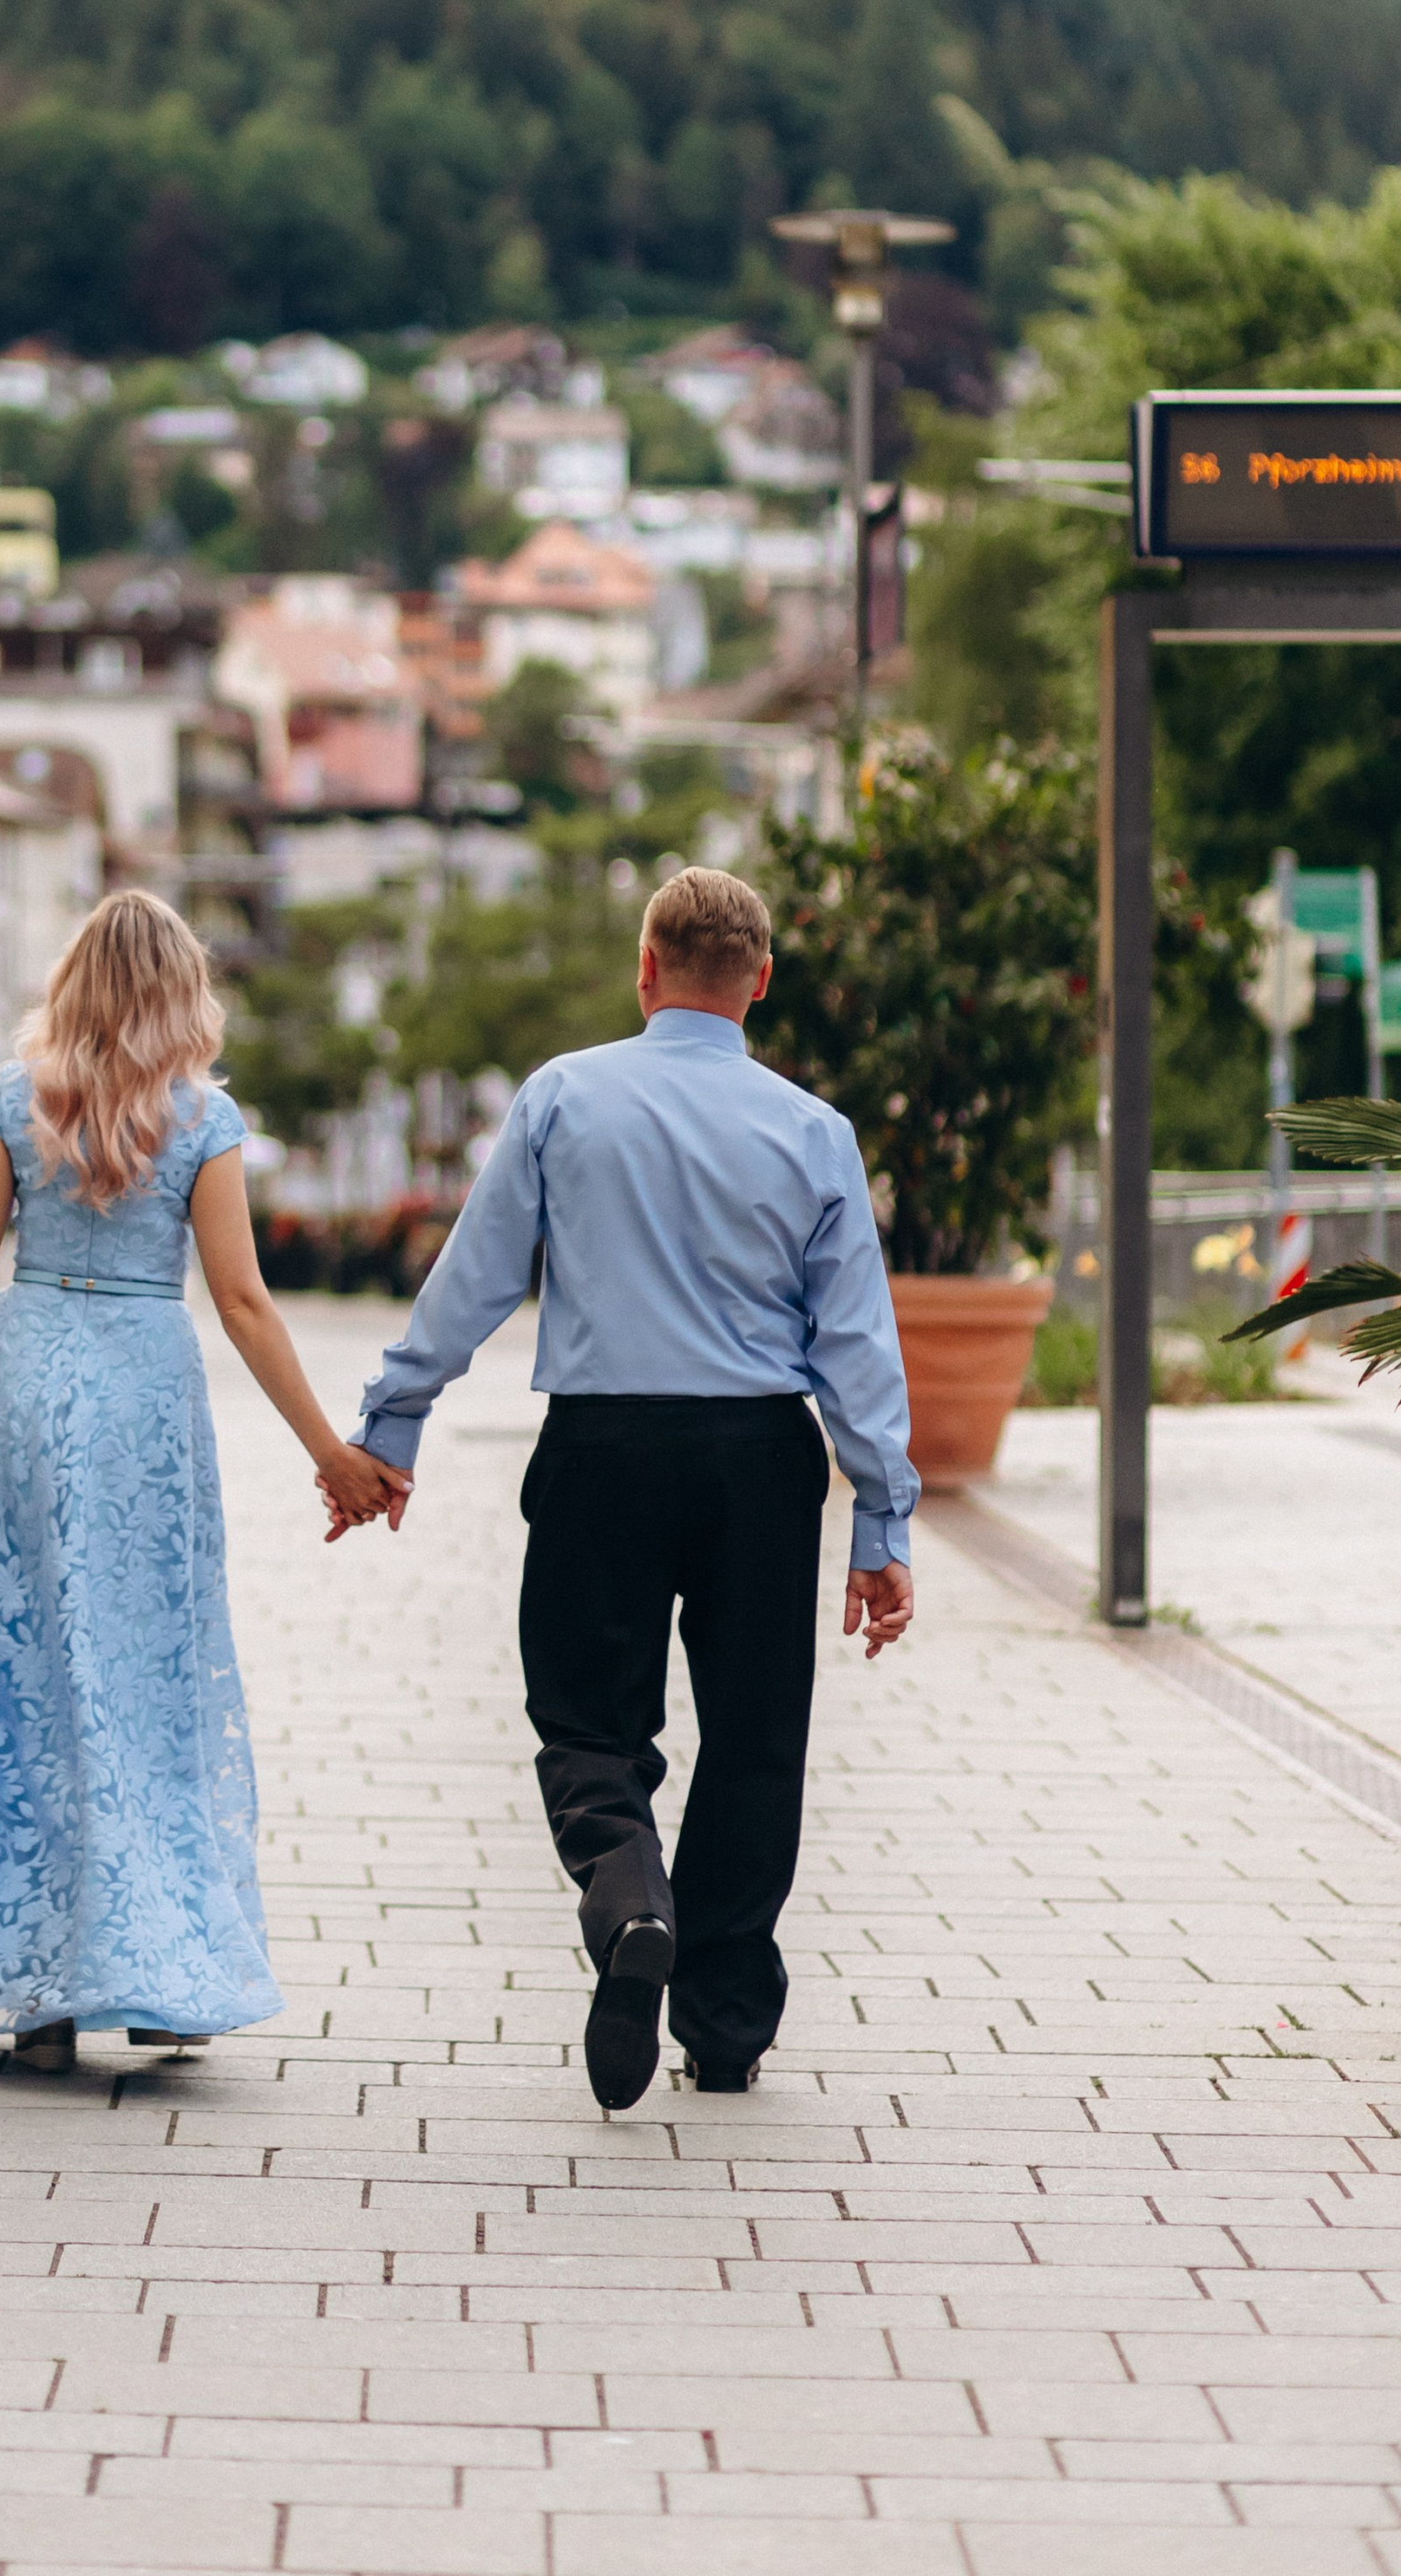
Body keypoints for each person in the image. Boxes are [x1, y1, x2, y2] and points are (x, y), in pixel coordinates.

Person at [321, 865, 919, 2112]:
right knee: (755, 1736)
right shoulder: (814, 1132)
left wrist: (394, 1421)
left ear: (645, 969)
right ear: (760, 983)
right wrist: (881, 1518)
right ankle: (725, 2025)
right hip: (760, 1459)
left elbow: (476, 1275)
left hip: (604, 1448)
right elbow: (856, 1342)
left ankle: (629, 1892)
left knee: (587, 1719)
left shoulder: (563, 1096)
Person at [0, 889, 370, 2071]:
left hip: (18, 1388)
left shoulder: (15, 1099)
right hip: (141, 1401)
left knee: (25, 1678)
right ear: (182, 989)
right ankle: (157, 1980)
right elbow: (242, 1301)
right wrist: (329, 1451)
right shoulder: (205, 1120)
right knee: (142, 1684)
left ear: (71, 980)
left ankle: (42, 1998)